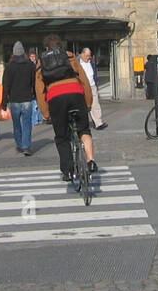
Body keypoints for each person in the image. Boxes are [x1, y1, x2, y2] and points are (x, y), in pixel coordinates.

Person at [34, 33, 97, 181]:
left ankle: (68, 171)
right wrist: (88, 102)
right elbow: (84, 80)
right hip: (75, 93)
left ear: (46, 48)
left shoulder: (41, 62)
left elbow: (39, 88)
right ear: (60, 45)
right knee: (84, 129)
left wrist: (46, 112)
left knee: (62, 137)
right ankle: (91, 161)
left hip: (56, 98)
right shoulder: (70, 56)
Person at [1, 41, 37, 155]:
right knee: (27, 123)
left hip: (14, 99)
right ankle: (26, 146)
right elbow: (34, 82)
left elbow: (5, 85)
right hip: (27, 98)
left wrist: (4, 102)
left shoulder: (9, 66)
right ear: (23, 52)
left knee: (16, 124)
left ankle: (19, 145)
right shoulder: (30, 65)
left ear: (14, 52)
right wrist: (35, 95)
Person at [79, 47, 107, 130]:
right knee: (82, 106)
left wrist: (95, 82)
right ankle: (82, 124)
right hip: (83, 87)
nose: (89, 57)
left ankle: (98, 123)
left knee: (95, 104)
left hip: (92, 85)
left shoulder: (91, 63)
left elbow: (94, 73)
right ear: (82, 54)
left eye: (89, 56)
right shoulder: (77, 63)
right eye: (87, 56)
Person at [28, 51, 44, 124]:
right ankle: (35, 120)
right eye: (31, 57)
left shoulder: (38, 64)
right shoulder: (28, 65)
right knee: (34, 105)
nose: (32, 58)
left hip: (38, 86)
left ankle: (39, 119)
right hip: (32, 88)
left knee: (39, 104)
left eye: (33, 57)